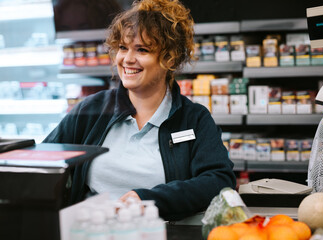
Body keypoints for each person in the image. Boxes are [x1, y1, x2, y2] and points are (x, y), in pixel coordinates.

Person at [44, 0, 236, 221]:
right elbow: (45, 160)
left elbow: (219, 179)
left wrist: (147, 199)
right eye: (123, 48)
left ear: (169, 58)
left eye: (142, 50)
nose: (127, 59)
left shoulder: (193, 119)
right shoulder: (91, 110)